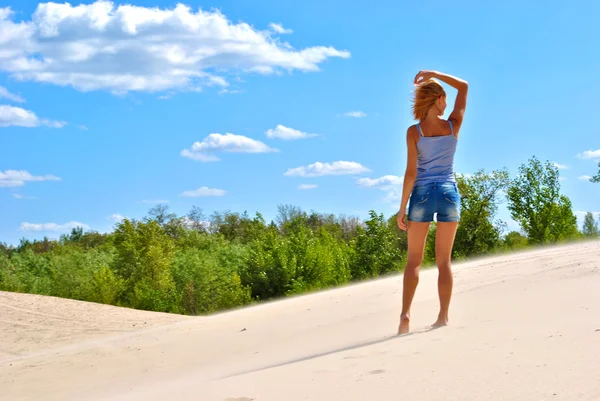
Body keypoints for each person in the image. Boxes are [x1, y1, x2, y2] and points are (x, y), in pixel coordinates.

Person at [396, 70, 468, 335]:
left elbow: (411, 173)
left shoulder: (414, 132)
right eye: (444, 98)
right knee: (443, 262)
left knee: (414, 260)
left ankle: (405, 316)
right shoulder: (453, 125)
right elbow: (464, 86)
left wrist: (402, 207)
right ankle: (442, 316)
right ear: (438, 99)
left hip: (422, 194)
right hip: (449, 192)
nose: (447, 103)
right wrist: (433, 73)